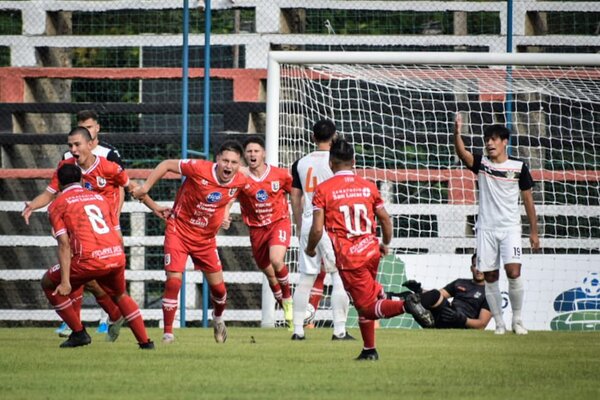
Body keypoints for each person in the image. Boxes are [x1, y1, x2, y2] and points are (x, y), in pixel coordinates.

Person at [22, 127, 168, 341]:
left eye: (77, 145)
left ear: (91, 144)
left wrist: (154, 207)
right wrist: (32, 206)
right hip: (80, 233)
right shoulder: (67, 167)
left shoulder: (109, 168)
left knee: (85, 278)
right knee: (88, 280)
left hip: (106, 233)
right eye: (70, 145)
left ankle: (94, 324)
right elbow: (49, 193)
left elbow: (133, 188)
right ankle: (109, 320)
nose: (72, 149)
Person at [305, 138, 434, 361]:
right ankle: (369, 350)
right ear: (354, 161)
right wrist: (385, 243)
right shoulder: (368, 186)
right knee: (365, 298)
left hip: (349, 258)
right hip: (371, 250)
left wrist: (309, 249)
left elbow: (317, 230)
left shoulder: (323, 190)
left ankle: (406, 304)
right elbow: (385, 219)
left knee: (366, 308)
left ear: (331, 163)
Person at [132, 141, 247, 344]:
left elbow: (231, 197)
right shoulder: (199, 168)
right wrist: (146, 187)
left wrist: (225, 213)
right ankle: (168, 334)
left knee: (220, 291)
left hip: (205, 239)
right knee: (174, 280)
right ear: (217, 159)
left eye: (234, 162)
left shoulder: (240, 180)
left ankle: (218, 319)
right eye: (225, 161)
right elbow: (167, 164)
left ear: (239, 164)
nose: (229, 166)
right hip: (179, 230)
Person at [41, 163, 154, 349]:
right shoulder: (100, 198)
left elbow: (63, 243)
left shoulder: (56, 205)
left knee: (47, 282)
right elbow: (114, 230)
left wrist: (65, 280)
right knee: (120, 295)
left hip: (88, 259)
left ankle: (78, 333)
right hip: (115, 255)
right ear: (82, 180)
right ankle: (145, 343)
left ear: (59, 184)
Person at [454, 114, 540, 335]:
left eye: (494, 139)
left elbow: (528, 200)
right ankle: (500, 324)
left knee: (513, 271)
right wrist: (457, 133)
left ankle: (517, 320)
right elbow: (463, 154)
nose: (489, 143)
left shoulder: (519, 167)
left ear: (504, 142)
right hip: (486, 229)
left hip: (510, 228)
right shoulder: (482, 164)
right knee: (491, 276)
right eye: (487, 139)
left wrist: (534, 231)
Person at [290, 119, 354, 341]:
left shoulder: (300, 162)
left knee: (306, 277)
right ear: (334, 136)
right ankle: (339, 330)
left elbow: (295, 197)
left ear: (312, 137)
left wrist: (299, 225)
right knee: (338, 275)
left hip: (308, 221)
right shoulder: (338, 161)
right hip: (330, 223)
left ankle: (298, 330)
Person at [236, 136, 294, 328]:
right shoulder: (240, 177)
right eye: (249, 151)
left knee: (277, 260)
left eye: (256, 151)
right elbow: (229, 196)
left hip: (279, 223)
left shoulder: (280, 174)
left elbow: (295, 192)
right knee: (270, 274)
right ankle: (288, 313)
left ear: (264, 153)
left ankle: (289, 301)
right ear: (245, 155)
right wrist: (225, 213)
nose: (253, 154)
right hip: (256, 229)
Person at [390, 254, 492, 329]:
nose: (479, 269)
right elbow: (437, 295)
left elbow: (482, 324)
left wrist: (461, 319)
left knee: (413, 300)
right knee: (415, 296)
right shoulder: (460, 282)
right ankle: (392, 298)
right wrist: (419, 290)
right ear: (471, 268)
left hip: (461, 324)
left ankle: (397, 302)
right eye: (475, 265)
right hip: (446, 315)